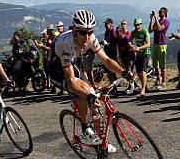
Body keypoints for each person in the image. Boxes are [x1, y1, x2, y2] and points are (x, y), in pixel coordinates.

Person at [52, 10, 129, 150]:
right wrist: (88, 96)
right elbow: (70, 81)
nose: (86, 37)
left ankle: (100, 140)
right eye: (82, 33)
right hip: (57, 69)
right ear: (74, 30)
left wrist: (123, 72)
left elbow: (106, 60)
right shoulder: (66, 43)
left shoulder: (91, 38)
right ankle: (85, 128)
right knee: (86, 92)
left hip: (72, 62)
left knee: (93, 100)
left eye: (89, 32)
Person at [149, 7, 170, 90]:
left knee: (162, 65)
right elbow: (150, 30)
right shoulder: (156, 21)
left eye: (161, 11)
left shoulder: (166, 21)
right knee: (155, 65)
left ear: (165, 13)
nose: (159, 12)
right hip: (156, 44)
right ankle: (158, 81)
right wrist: (151, 20)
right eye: (159, 11)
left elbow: (159, 28)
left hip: (162, 44)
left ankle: (164, 83)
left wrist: (155, 19)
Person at [130, 18, 151, 97]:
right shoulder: (134, 32)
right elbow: (129, 40)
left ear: (141, 24)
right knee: (138, 72)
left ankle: (143, 90)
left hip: (146, 52)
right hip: (138, 54)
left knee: (143, 71)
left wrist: (139, 48)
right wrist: (131, 46)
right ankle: (145, 86)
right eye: (135, 25)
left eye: (138, 25)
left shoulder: (145, 32)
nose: (137, 26)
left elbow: (148, 44)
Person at [115, 24, 136, 95]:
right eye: (116, 32)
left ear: (121, 32)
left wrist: (134, 55)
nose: (117, 33)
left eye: (118, 32)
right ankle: (132, 86)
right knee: (127, 72)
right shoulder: (118, 39)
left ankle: (132, 88)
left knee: (129, 72)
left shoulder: (126, 38)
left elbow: (131, 46)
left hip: (129, 57)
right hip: (123, 57)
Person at [103, 18, 118, 84]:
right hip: (107, 52)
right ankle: (112, 82)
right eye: (105, 24)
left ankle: (114, 83)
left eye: (107, 24)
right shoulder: (107, 31)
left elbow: (115, 44)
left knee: (112, 68)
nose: (106, 25)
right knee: (109, 68)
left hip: (112, 52)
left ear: (111, 24)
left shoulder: (113, 32)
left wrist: (107, 44)